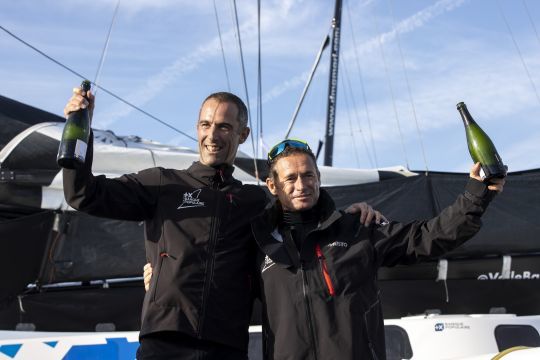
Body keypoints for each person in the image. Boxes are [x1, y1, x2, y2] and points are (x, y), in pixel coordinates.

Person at [62, 88, 383, 360]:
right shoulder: (162, 185)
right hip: (165, 341)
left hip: (226, 347)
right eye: (205, 124)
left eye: (224, 127)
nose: (212, 135)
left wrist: (349, 216)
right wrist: (79, 128)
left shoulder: (257, 203)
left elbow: (306, 224)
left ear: (242, 134)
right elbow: (83, 194)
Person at [249, 139, 505, 360]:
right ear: (273, 186)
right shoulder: (259, 245)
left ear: (318, 177)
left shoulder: (357, 229)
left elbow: (428, 237)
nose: (301, 185)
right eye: (290, 178)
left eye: (308, 175)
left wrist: (477, 196)